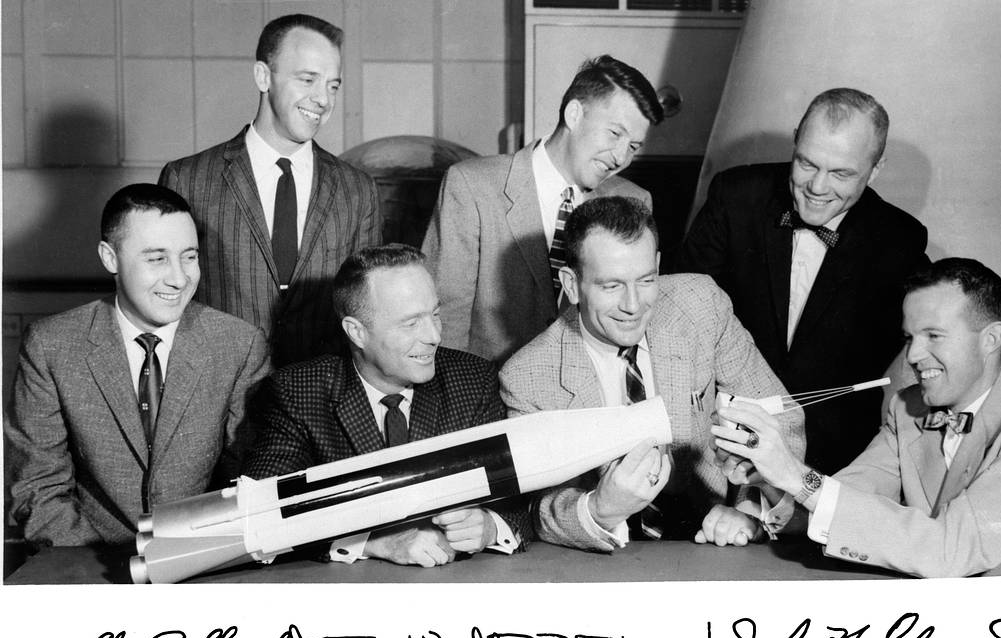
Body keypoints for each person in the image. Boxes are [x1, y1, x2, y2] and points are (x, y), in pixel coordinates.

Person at [499, 196, 805, 552]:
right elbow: (538, 508)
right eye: (611, 286)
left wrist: (750, 508)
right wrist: (600, 509)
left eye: (645, 280)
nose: (633, 305)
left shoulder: (701, 305)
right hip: (603, 563)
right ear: (571, 283)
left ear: (658, 265)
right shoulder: (527, 376)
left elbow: (782, 418)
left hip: (716, 551)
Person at [713, 258, 1001, 577]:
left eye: (934, 336)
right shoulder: (909, 408)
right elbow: (842, 500)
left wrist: (795, 475)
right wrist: (770, 481)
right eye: (910, 338)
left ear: (991, 339)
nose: (912, 356)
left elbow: (949, 551)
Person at [670, 88, 929, 474]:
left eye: (841, 173)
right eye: (807, 164)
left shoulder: (900, 240)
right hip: (718, 445)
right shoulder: (735, 196)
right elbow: (677, 316)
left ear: (876, 169)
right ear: (795, 140)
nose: (818, 187)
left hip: (831, 461)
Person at [6, 184, 270, 547]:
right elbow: (37, 488)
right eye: (156, 258)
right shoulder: (52, 345)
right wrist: (107, 572)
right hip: (90, 564)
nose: (179, 278)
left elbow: (249, 483)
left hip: (203, 563)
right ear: (110, 258)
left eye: (189, 256)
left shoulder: (240, 345)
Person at [246, 244, 533, 567]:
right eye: (411, 323)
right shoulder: (298, 392)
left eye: (435, 314)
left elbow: (520, 507)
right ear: (356, 332)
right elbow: (261, 519)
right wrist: (372, 542)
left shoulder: (472, 380)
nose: (434, 336)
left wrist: (490, 526)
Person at [159, 13, 381, 367]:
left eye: (333, 85)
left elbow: (366, 310)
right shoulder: (188, 179)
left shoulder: (357, 190)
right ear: (264, 76)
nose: (323, 99)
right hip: (219, 394)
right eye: (308, 79)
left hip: (318, 399)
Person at [423, 55, 663, 364]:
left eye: (633, 147)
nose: (620, 158)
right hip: (486, 393)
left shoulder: (634, 201)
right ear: (574, 114)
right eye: (615, 133)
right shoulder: (472, 186)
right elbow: (444, 317)